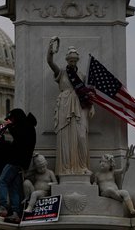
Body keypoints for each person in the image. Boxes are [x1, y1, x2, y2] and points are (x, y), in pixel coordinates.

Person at [47, 37, 94, 176]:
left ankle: (81, 165)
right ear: (67, 61)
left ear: (77, 61)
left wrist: (92, 107)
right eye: (70, 61)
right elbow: (50, 62)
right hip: (65, 105)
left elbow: (88, 94)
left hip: (80, 107)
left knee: (81, 137)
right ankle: (65, 168)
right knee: (65, 138)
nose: (72, 63)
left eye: (74, 61)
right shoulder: (61, 72)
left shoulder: (82, 75)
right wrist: (50, 50)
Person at [0, 108, 37, 224]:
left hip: (16, 161)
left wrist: (9, 127)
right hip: (21, 163)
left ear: (17, 117)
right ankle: (16, 214)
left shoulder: (25, 127)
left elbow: (19, 139)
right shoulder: (29, 127)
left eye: (11, 119)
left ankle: (3, 206)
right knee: (14, 188)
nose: (10, 121)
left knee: (2, 181)